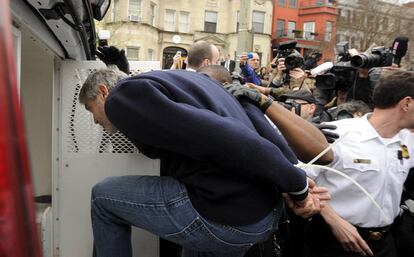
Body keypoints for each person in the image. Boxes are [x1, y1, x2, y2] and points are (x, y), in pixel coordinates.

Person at [79, 68, 329, 257]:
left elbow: (229, 137)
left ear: (103, 92)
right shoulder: (197, 80)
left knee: (103, 197)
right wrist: (290, 173)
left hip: (226, 217)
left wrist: (295, 183)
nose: (95, 121)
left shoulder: (122, 98)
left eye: (91, 110)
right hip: (263, 216)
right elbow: (255, 122)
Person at [304, 70, 414, 257]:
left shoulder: (408, 140)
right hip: (336, 241)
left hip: (386, 241)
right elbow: (299, 182)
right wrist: (334, 221)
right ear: (407, 103)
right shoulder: (336, 134)